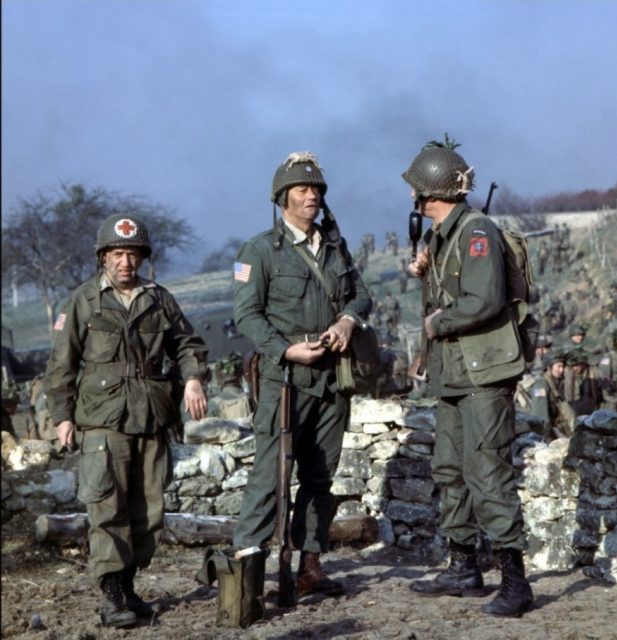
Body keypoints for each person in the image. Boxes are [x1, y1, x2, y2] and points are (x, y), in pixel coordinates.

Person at [44, 213, 209, 629]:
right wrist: (63, 417)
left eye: (133, 255)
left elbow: (187, 344)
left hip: (151, 417)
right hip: (103, 420)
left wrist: (191, 378)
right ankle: (112, 594)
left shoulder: (158, 298)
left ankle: (129, 586)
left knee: (148, 510)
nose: (125, 263)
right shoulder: (83, 301)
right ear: (103, 257)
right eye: (117, 254)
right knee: (107, 507)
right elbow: (61, 365)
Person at [231, 151, 372, 598]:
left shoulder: (334, 244)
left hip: (333, 377)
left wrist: (348, 320)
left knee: (319, 477)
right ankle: (248, 576)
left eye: (317, 190)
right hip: (285, 381)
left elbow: (361, 294)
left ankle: (310, 565)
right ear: (282, 199)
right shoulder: (258, 250)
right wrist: (285, 349)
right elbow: (246, 316)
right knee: (270, 477)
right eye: (302, 190)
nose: (312, 196)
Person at [402, 139, 533, 617]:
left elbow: (484, 300)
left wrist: (438, 323)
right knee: (450, 470)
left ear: (426, 193)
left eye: (416, 190)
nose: (413, 199)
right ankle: (462, 567)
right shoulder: (444, 236)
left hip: (483, 371)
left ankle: (516, 583)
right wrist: (425, 271)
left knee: (486, 471)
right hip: (455, 373)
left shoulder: (476, 230)